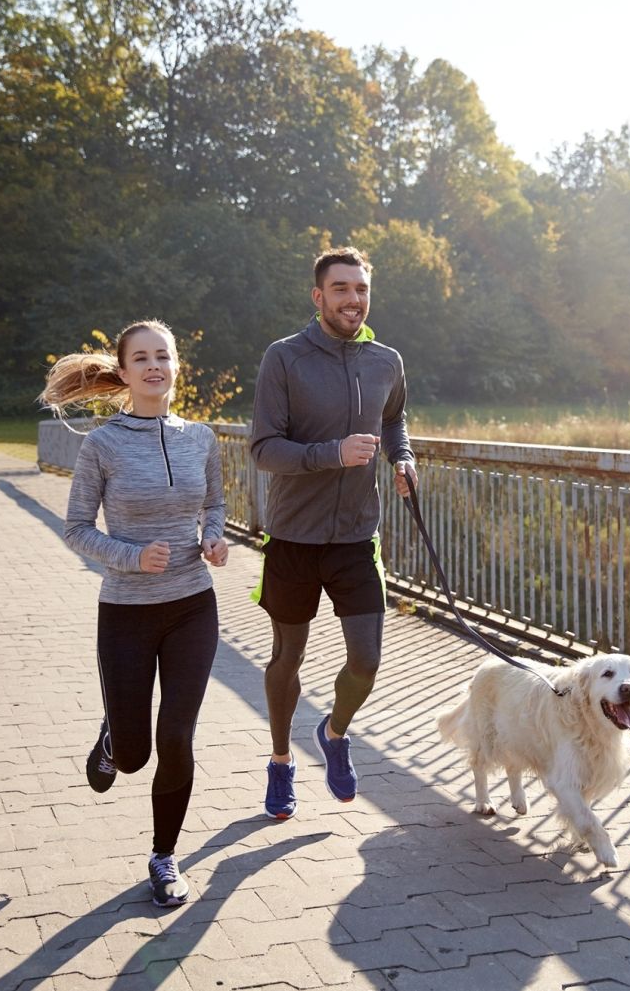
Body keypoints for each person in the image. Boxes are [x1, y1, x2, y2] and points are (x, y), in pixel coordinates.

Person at [39, 319, 229, 908]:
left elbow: (215, 503)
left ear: (176, 367)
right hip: (126, 612)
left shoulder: (201, 438)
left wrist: (214, 538)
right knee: (134, 754)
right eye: (141, 358)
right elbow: (75, 528)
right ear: (123, 372)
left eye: (163, 356)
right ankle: (112, 741)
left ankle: (164, 856)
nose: (154, 366)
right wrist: (132, 557)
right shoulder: (102, 445)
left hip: (192, 607)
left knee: (176, 737)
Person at [249, 246, 417, 820]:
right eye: (341, 288)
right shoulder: (284, 358)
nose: (353, 299)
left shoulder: (386, 361)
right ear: (318, 296)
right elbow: (264, 449)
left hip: (356, 537)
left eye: (361, 289)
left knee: (366, 661)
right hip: (293, 538)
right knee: (287, 658)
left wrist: (401, 458)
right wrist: (333, 454)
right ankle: (280, 761)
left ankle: (334, 732)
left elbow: (393, 419)